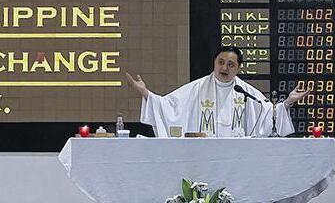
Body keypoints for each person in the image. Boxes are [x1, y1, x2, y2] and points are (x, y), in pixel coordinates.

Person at [126, 46, 310, 137]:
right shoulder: (197, 88)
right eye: (220, 62)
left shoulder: (245, 91)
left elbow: (268, 112)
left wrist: (288, 102)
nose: (224, 67)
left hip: (236, 158)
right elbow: (169, 106)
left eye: (231, 64)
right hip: (204, 154)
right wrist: (145, 93)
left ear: (238, 68)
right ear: (214, 63)